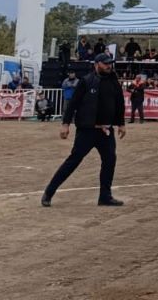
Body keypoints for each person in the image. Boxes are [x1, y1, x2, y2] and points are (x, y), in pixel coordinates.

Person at [41, 53, 125, 208]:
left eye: (110, 63)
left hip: (106, 131)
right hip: (87, 131)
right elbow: (72, 104)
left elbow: (119, 103)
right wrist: (65, 124)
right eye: (105, 63)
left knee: (110, 161)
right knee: (73, 161)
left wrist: (121, 124)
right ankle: (49, 192)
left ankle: (105, 197)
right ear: (97, 64)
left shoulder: (114, 82)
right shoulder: (86, 81)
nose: (109, 66)